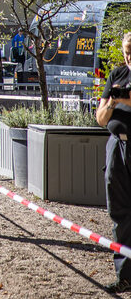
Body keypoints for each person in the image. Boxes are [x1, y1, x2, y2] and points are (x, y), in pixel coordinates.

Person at [96, 32, 131, 293]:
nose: (129, 56)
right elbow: (100, 117)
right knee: (119, 212)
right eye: (127, 51)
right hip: (117, 146)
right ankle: (125, 276)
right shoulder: (117, 74)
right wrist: (114, 102)